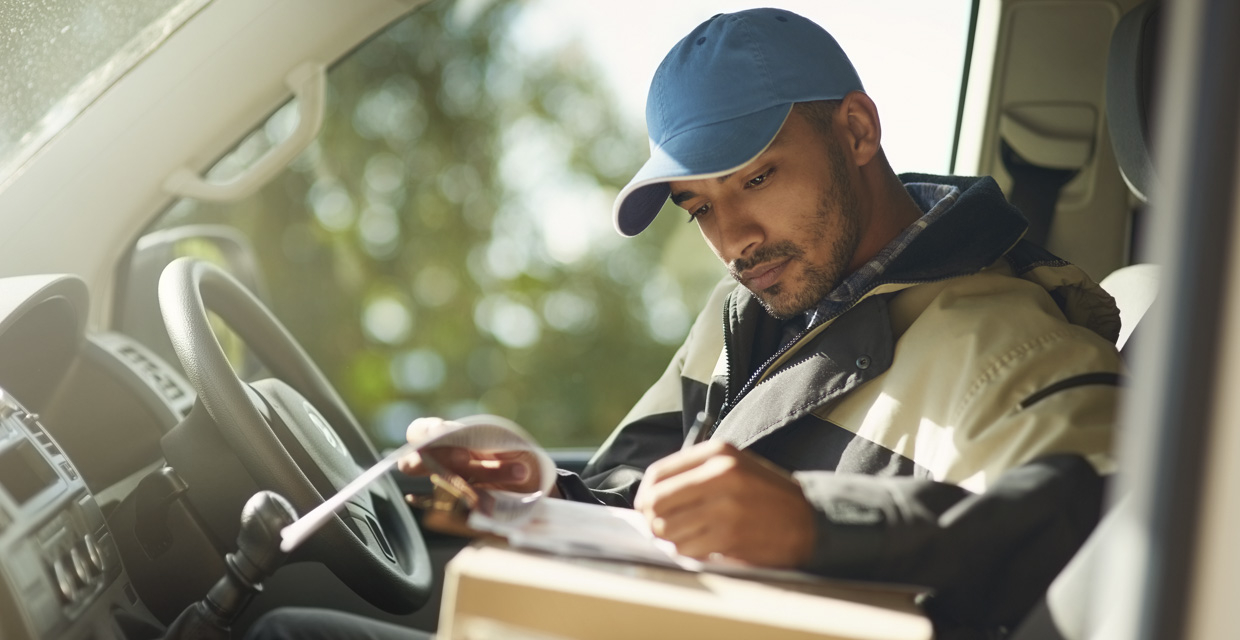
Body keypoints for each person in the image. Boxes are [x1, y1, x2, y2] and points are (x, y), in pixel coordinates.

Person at [248, 7, 1121, 638]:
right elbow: (639, 501)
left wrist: (819, 525)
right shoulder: (748, 307)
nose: (733, 238)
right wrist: (542, 495)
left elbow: (1106, 526)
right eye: (697, 207)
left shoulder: (1015, 342)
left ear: (856, 129)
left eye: (754, 179)